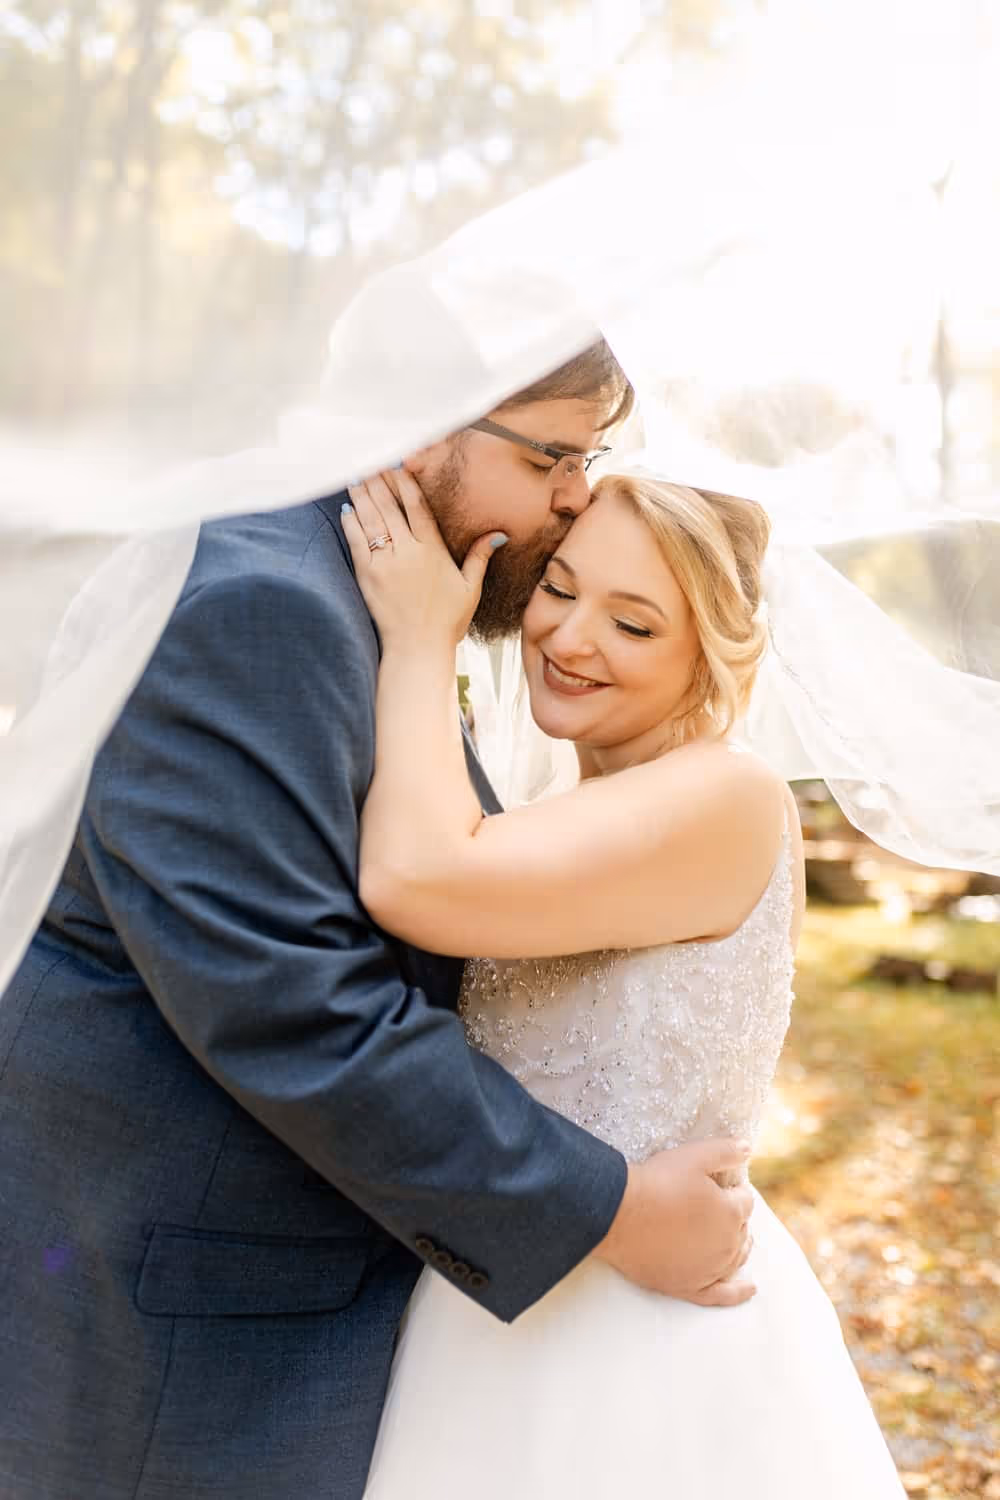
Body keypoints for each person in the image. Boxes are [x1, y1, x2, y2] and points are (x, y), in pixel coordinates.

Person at [0, 344, 756, 1500]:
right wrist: (604, 1209)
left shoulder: (341, 586)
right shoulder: (266, 603)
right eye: (555, 456)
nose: (573, 498)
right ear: (419, 427)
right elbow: (288, 1002)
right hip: (176, 1309)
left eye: (588, 460)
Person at [341, 466, 907, 1498]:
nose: (566, 638)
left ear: (714, 652)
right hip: (496, 1301)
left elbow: (415, 877)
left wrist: (420, 640)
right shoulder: (567, 806)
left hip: (638, 1343)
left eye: (634, 625)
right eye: (558, 588)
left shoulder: (725, 797)